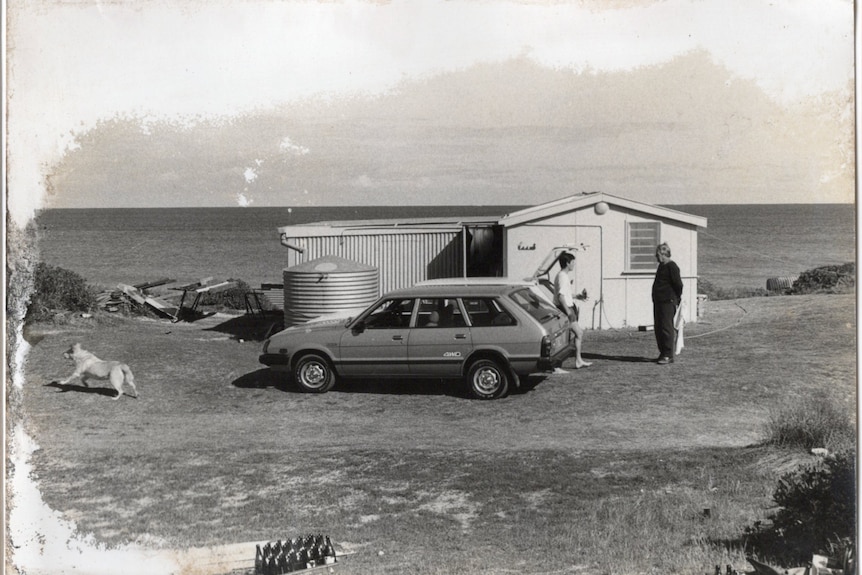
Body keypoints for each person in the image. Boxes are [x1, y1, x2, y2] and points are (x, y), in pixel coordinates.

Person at [553, 252, 591, 370]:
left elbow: (566, 294)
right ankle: (573, 361)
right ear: (567, 263)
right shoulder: (563, 277)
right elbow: (560, 296)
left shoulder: (561, 275)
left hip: (567, 308)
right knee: (577, 333)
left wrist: (578, 296)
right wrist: (568, 312)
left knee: (569, 336)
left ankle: (577, 360)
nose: (574, 265)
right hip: (566, 309)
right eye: (573, 262)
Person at [652, 242, 683, 365]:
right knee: (658, 328)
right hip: (659, 301)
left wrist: (676, 298)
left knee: (666, 328)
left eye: (657, 254)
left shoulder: (672, 266)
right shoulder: (661, 266)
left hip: (667, 302)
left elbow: (678, 284)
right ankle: (662, 352)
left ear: (663, 254)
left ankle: (668, 354)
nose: (656, 257)